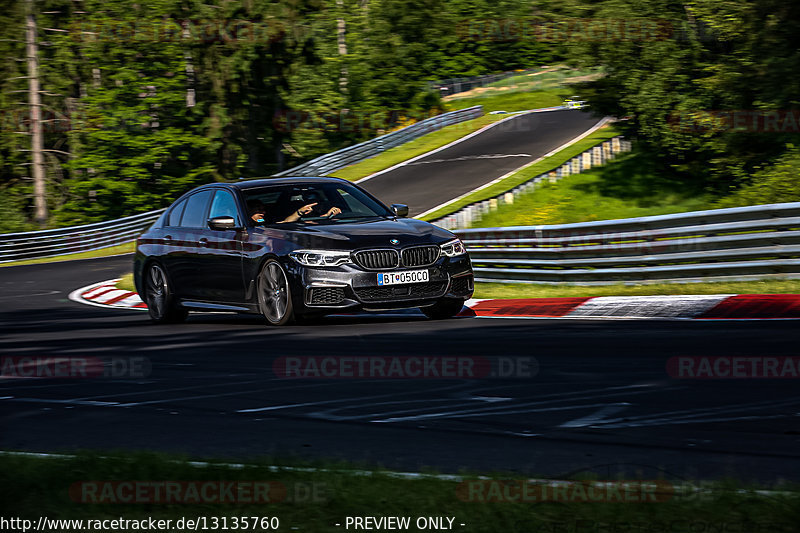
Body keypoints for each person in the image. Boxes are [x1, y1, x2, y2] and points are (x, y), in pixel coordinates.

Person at [248, 199, 341, 225]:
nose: (262, 212)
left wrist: (327, 215)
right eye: (258, 209)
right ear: (249, 210)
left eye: (263, 209)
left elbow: (285, 222)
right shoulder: (245, 222)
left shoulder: (266, 220)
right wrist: (299, 212)